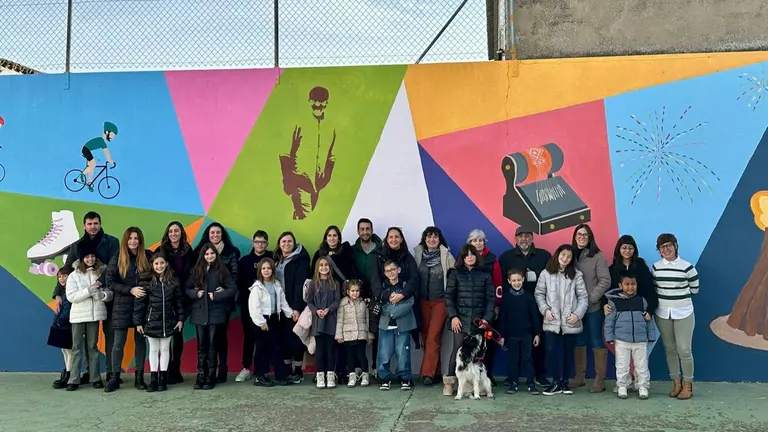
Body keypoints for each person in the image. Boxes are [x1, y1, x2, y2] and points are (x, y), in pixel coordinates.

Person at [55, 211, 120, 384]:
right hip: (85, 300)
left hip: (107, 295)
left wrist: (99, 284)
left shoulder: (112, 242)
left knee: (109, 333)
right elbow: (66, 269)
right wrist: (57, 293)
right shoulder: (76, 246)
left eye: (96, 223)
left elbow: (114, 267)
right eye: (90, 224)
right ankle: (90, 373)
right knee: (87, 339)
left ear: (100, 224)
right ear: (84, 225)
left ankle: (112, 372)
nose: (93, 227)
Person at [494, 227, 551, 386]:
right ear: (515, 238)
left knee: (538, 343)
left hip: (538, 307)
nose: (524, 239)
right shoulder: (506, 257)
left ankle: (540, 375)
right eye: (520, 236)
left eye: (527, 235)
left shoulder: (544, 255)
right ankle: (514, 377)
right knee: (514, 344)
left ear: (532, 238)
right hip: (513, 308)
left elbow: (551, 280)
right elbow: (501, 284)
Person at [604, 234, 658, 393]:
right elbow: (607, 292)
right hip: (621, 319)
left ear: (634, 249)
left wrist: (649, 310)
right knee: (622, 360)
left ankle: (641, 385)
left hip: (639, 315)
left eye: (630, 247)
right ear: (618, 249)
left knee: (641, 360)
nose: (627, 250)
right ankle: (623, 384)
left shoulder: (640, 265)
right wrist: (604, 305)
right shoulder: (613, 268)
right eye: (624, 247)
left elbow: (650, 291)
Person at [534, 244, 588, 396]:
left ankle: (565, 383)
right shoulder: (546, 273)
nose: (565, 258)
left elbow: (583, 298)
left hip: (570, 322)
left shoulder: (576, 275)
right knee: (551, 351)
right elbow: (539, 294)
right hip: (552, 321)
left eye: (569, 257)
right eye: (563, 255)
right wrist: (545, 310)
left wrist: (577, 315)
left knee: (568, 353)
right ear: (557, 255)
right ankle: (555, 382)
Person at [443, 244, 495, 396]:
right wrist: (453, 316)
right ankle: (450, 383)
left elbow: (490, 299)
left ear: (477, 256)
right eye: (467, 255)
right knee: (457, 351)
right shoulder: (455, 274)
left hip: (479, 322)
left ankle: (478, 385)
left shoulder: (485, 274)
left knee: (479, 354)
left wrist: (486, 319)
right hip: (460, 321)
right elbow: (449, 297)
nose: (470, 257)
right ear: (463, 257)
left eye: (473, 254)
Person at [105, 227, 152, 393]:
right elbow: (110, 281)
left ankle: (139, 377)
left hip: (142, 306)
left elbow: (155, 277)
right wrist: (130, 290)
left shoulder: (148, 256)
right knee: (118, 343)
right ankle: (114, 377)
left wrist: (143, 290)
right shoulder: (118, 256)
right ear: (126, 240)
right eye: (130, 238)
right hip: (121, 306)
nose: (133, 241)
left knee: (141, 342)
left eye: (136, 238)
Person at [311, 225, 360, 383]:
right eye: (329, 235)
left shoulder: (346, 252)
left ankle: (339, 371)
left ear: (339, 237)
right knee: (322, 344)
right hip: (320, 305)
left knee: (340, 339)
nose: (332, 238)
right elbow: (311, 281)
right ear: (325, 238)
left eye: (335, 235)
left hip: (341, 301)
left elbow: (353, 271)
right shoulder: (319, 255)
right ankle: (321, 373)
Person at [652, 233, 699, 400]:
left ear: (675, 245)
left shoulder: (688, 267)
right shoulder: (656, 267)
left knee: (684, 350)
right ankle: (676, 383)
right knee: (670, 349)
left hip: (684, 313)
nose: (665, 249)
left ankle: (688, 385)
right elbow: (655, 289)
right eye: (661, 247)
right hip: (663, 313)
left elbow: (695, 289)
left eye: (668, 245)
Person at [194, 222, 241, 383]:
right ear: (207, 235)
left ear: (223, 235)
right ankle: (206, 372)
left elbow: (234, 276)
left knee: (220, 336)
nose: (215, 235)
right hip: (204, 304)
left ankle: (222, 368)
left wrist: (224, 290)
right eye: (212, 233)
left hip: (223, 302)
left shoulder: (231, 252)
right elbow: (195, 276)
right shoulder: (199, 252)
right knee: (205, 339)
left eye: (218, 233)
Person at [186, 243, 236, 390]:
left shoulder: (222, 270)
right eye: (207, 254)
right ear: (203, 255)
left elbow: (232, 288)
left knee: (213, 345)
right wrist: (196, 294)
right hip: (200, 312)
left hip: (215, 312)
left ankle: (210, 377)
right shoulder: (196, 270)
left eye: (212, 254)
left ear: (216, 254)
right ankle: (201, 375)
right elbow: (186, 288)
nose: (209, 256)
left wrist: (218, 295)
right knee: (202, 346)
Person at [134, 251, 185, 393]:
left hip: (169, 321)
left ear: (167, 264)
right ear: (152, 265)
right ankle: (154, 379)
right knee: (154, 349)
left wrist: (180, 319)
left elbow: (179, 302)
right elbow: (140, 304)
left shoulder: (173, 281)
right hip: (151, 322)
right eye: (156, 263)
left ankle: (163, 378)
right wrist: (138, 322)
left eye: (162, 263)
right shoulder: (146, 282)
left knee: (165, 348)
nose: (159, 266)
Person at [65, 242, 113, 391]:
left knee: (92, 347)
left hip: (94, 316)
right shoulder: (74, 275)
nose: (90, 259)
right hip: (78, 317)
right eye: (87, 257)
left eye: (92, 256)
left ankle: (95, 377)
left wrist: (102, 295)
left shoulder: (101, 272)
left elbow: (110, 293)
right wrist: (89, 291)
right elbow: (71, 296)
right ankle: (74, 379)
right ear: (81, 258)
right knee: (77, 348)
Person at [571, 223, 611, 392]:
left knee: (596, 340)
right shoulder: (569, 254)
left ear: (590, 237)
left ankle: (600, 380)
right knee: (578, 341)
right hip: (574, 308)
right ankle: (580, 377)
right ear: (574, 236)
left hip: (593, 307)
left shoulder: (598, 256)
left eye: (585, 235)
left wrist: (591, 298)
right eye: (579, 234)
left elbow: (605, 280)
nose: (582, 237)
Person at [413, 226, 455, 386]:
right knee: (426, 337)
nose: (432, 240)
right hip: (422, 302)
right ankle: (436, 372)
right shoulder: (417, 255)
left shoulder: (447, 256)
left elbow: (453, 277)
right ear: (424, 239)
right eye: (429, 236)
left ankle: (427, 374)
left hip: (440, 302)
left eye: (435, 237)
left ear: (439, 240)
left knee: (433, 336)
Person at [248, 258, 297, 387]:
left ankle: (281, 376)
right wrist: (261, 322)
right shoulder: (257, 287)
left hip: (274, 318)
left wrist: (290, 313)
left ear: (273, 270)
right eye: (263, 268)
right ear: (260, 271)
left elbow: (282, 302)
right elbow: (254, 308)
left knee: (277, 347)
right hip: (262, 320)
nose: (266, 271)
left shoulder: (276, 285)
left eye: (269, 268)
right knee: (261, 348)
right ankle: (260, 376)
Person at [158, 221, 195, 384]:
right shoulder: (161, 251)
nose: (173, 233)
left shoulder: (188, 250)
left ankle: (176, 369)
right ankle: (163, 370)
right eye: (171, 231)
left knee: (178, 334)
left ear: (181, 233)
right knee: (164, 335)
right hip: (166, 295)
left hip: (182, 296)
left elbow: (192, 272)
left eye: (176, 231)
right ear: (167, 233)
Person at [274, 232, 311, 383]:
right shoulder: (277, 260)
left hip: (294, 306)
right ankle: (287, 370)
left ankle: (298, 372)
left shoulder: (300, 261)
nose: (286, 244)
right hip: (279, 307)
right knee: (283, 338)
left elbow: (300, 286)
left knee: (295, 338)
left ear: (294, 244)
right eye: (283, 241)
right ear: (279, 243)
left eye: (290, 241)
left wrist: (296, 308)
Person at [235, 230, 272, 383]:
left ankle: (261, 371)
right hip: (248, 307)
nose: (260, 245)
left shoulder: (272, 259)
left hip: (269, 308)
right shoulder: (244, 261)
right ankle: (246, 368)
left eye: (263, 242)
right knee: (249, 338)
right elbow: (240, 284)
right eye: (257, 242)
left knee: (265, 339)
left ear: (267, 244)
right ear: (253, 243)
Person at [498, 268, 541, 395]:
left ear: (523, 280)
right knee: (513, 360)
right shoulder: (506, 298)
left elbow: (535, 316)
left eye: (519, 280)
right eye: (514, 280)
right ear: (509, 281)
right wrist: (501, 336)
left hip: (527, 335)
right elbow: (502, 318)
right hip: (511, 336)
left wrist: (537, 334)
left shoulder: (528, 297)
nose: (517, 282)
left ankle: (531, 384)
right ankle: (513, 383)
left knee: (528, 359)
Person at [376, 260, 417, 391]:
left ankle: (405, 377)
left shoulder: (406, 286)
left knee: (403, 352)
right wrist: (389, 310)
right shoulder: (382, 287)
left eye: (393, 269)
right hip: (385, 325)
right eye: (388, 271)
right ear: (384, 273)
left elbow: (409, 302)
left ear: (398, 270)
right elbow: (380, 304)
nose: (391, 273)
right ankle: (384, 377)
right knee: (384, 353)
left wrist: (393, 312)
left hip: (403, 325)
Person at [467, 229, 500, 385]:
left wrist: (496, 307)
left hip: (487, 309)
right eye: (475, 241)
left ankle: (487, 375)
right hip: (469, 309)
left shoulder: (493, 260)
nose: (478, 244)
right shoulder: (465, 258)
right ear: (470, 243)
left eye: (481, 240)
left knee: (488, 344)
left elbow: (498, 285)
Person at [351, 218, 382, 373]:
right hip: (358, 297)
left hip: (377, 297)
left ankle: (376, 367)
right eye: (362, 229)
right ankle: (359, 369)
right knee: (359, 332)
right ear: (358, 232)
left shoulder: (381, 250)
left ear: (372, 230)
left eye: (367, 229)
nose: (365, 232)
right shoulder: (351, 250)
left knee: (376, 332)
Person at [305, 257, 342, 389]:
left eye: (326, 265)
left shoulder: (335, 284)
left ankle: (330, 375)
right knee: (320, 350)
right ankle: (320, 375)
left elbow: (337, 301)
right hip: (318, 321)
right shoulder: (313, 284)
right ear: (317, 268)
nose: (324, 267)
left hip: (331, 320)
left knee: (330, 350)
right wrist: (316, 311)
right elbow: (309, 302)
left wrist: (328, 309)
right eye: (321, 265)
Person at [335, 280, 373, 387]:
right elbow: (340, 320)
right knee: (350, 356)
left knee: (361, 355)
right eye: (352, 291)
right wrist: (339, 335)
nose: (354, 293)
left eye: (357, 291)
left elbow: (367, 319)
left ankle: (365, 375)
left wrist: (369, 335)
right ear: (347, 291)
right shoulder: (343, 304)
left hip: (361, 334)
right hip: (348, 334)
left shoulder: (363, 303)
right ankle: (351, 375)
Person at [50, 266, 75, 390]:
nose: (62, 279)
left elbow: (68, 310)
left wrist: (60, 320)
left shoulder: (71, 291)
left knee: (69, 351)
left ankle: (69, 375)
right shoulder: (61, 292)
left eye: (64, 276)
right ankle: (66, 370)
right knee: (64, 351)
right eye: (59, 276)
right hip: (60, 324)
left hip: (67, 325)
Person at [80, 122, 118, 191]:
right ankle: (85, 178)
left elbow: (107, 153)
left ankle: (87, 181)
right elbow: (107, 153)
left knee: (91, 167)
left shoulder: (101, 141)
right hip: (86, 150)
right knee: (93, 164)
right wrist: (111, 161)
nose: (112, 137)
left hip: (86, 150)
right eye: (112, 135)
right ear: (107, 132)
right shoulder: (101, 141)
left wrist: (110, 160)